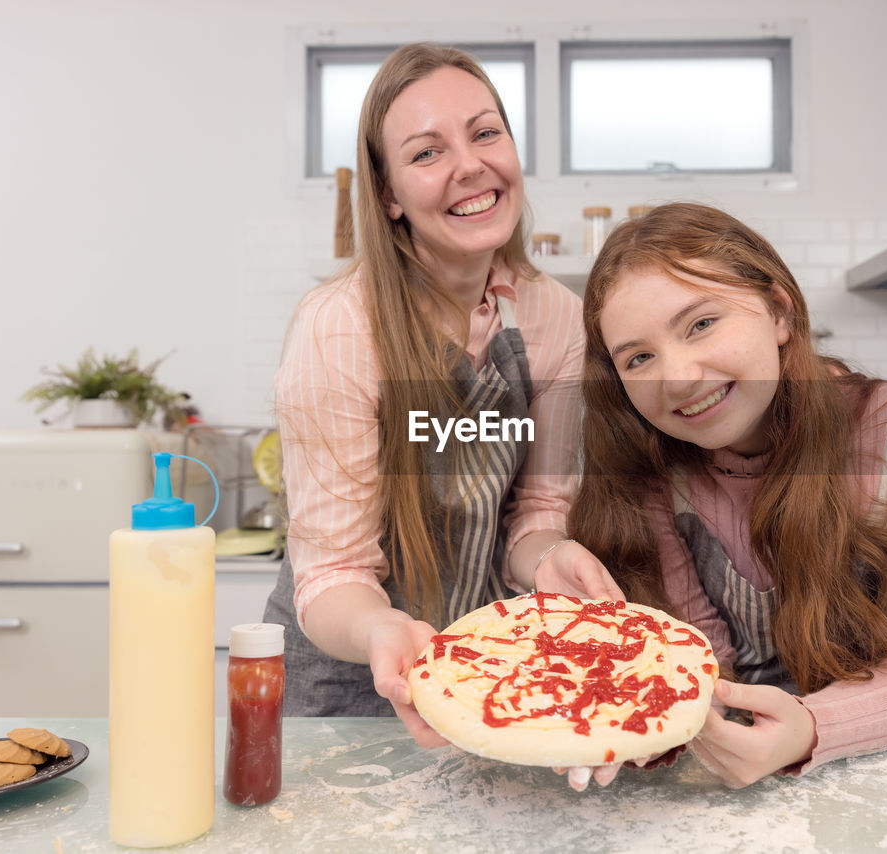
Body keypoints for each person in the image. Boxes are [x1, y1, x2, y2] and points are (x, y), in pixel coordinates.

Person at [263, 43, 621, 748]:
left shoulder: (552, 317)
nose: (470, 166)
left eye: (486, 133)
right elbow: (333, 571)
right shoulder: (339, 328)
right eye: (427, 153)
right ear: (390, 194)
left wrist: (549, 558)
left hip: (485, 665)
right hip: (350, 673)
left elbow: (536, 511)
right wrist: (381, 630)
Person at [568, 202, 887, 788]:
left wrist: (808, 728)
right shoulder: (657, 467)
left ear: (779, 311)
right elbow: (704, 652)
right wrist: (656, 722)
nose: (677, 377)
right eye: (639, 358)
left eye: (701, 324)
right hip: (731, 773)